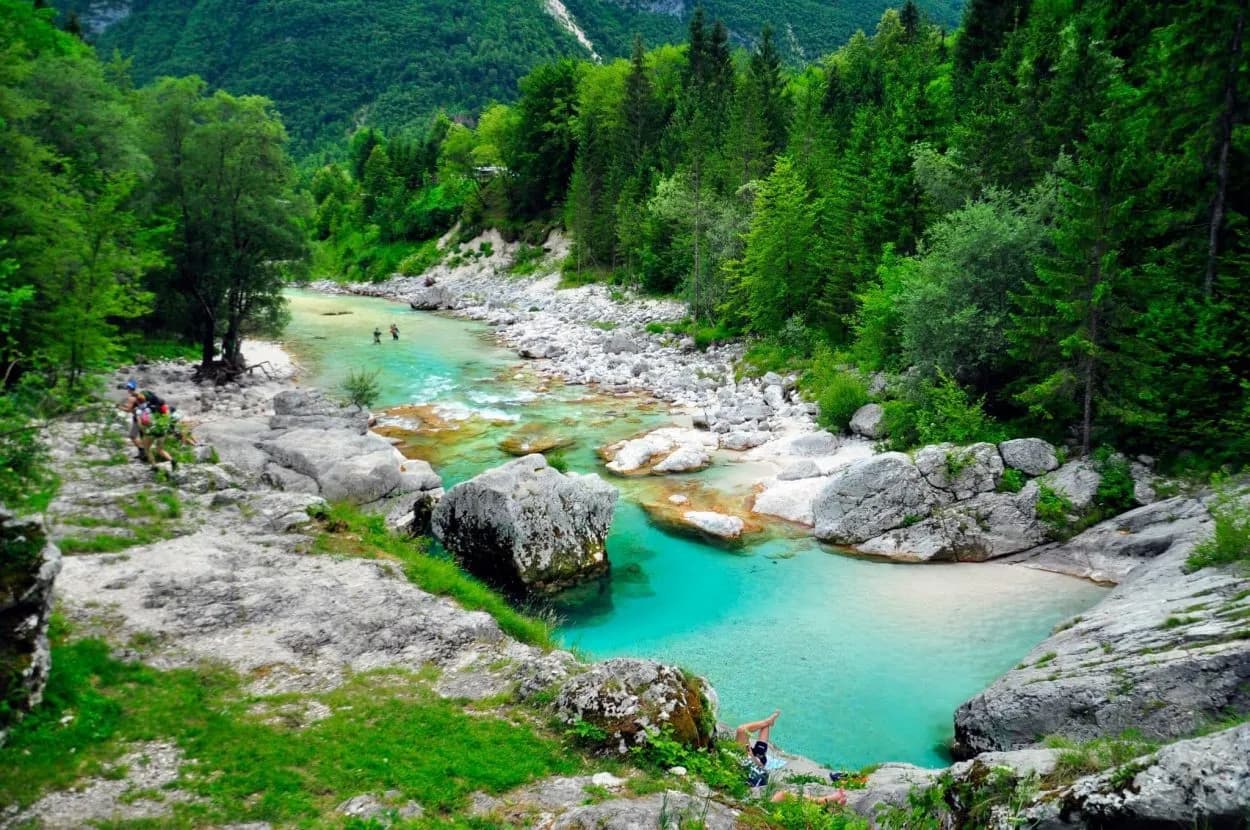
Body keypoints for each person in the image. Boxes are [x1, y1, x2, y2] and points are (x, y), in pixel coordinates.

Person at [736, 710, 781, 788]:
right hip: (756, 759)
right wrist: (756, 760)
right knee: (743, 730)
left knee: (742, 731)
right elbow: (758, 764)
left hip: (751, 758)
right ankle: (768, 721)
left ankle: (768, 721)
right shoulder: (759, 760)